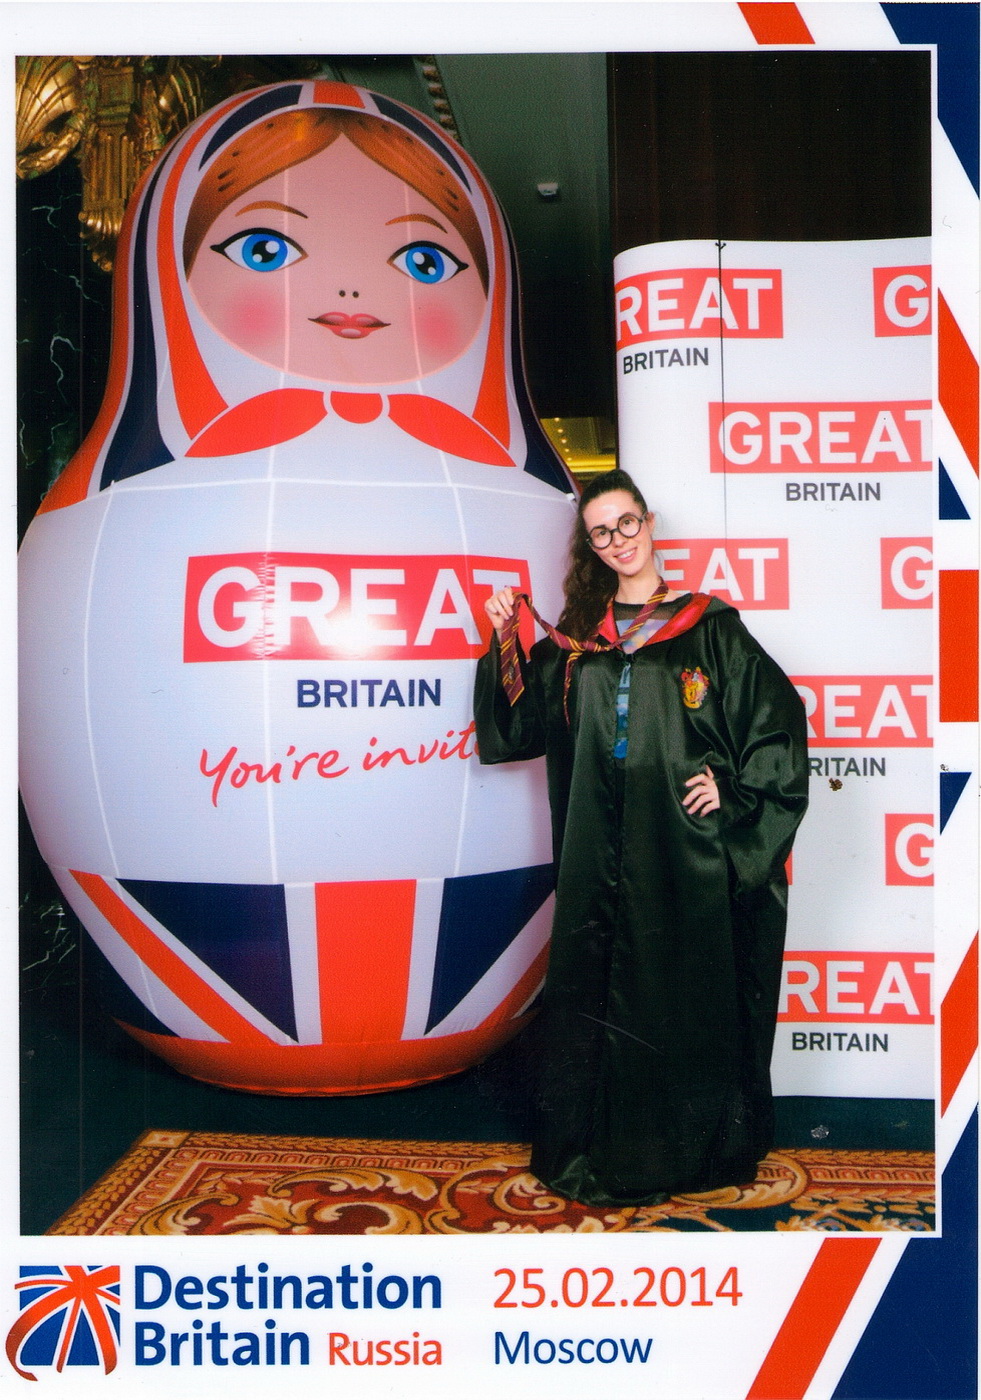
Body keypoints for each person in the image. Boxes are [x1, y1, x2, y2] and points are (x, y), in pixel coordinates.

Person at [474, 468, 809, 1205]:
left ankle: (686, 1154)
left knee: (677, 993)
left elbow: (775, 722)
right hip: (596, 846)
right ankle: (594, 1149)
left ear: (649, 523)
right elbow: (519, 730)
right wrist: (503, 638)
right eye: (601, 532)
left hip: (678, 846)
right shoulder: (575, 642)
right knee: (598, 991)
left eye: (627, 522)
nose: (618, 540)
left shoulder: (707, 626)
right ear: (591, 546)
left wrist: (732, 788)